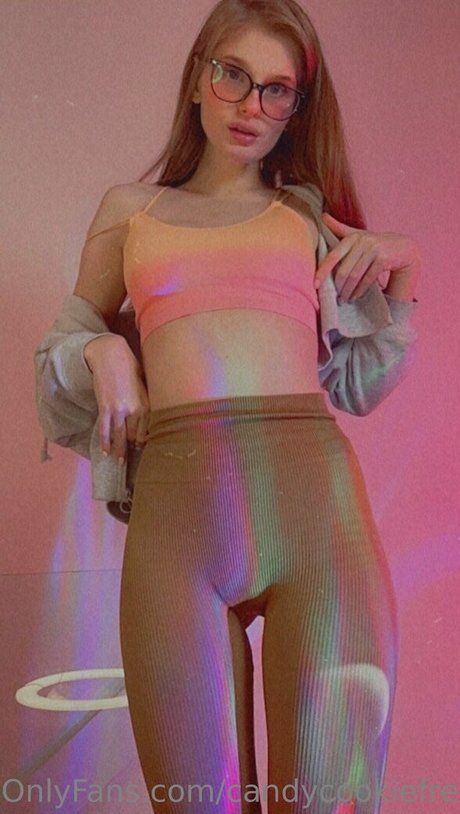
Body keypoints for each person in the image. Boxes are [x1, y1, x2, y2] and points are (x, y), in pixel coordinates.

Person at [34, 0, 421, 811]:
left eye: (277, 90)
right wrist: (106, 351)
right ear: (197, 77)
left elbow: (359, 385)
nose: (251, 106)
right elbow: (59, 355)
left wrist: (405, 265)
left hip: (319, 522)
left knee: (328, 801)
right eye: (233, 75)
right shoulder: (129, 212)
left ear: (296, 107)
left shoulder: (305, 216)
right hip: (179, 524)